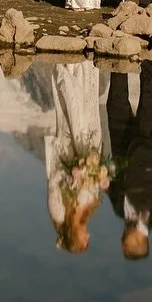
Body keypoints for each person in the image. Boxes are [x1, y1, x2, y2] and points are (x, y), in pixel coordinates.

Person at [107, 61, 152, 261]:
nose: (121, 239)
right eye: (124, 243)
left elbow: (111, 185)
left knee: (115, 102)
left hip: (121, 147)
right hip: (148, 149)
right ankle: (147, 57)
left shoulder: (120, 212)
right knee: (149, 100)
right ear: (137, 242)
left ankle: (118, 54)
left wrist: (103, 181)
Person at [44, 60, 107, 253]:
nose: (88, 236)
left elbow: (54, 184)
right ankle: (85, 68)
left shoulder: (59, 214)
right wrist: (100, 177)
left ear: (74, 237)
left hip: (68, 157)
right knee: (87, 114)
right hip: (90, 152)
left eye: (84, 240)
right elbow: (93, 186)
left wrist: (72, 174)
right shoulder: (88, 213)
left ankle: (66, 71)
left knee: (72, 116)